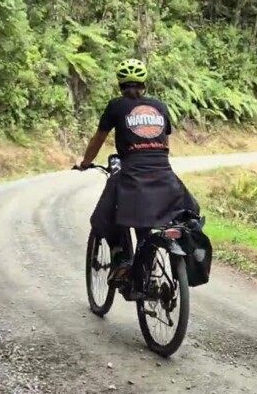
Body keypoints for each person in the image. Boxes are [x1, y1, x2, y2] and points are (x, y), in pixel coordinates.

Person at [76, 58, 200, 300]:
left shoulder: (116, 106)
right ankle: (149, 269)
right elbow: (164, 143)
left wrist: (85, 163)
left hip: (132, 174)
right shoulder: (160, 107)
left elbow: (99, 138)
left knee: (105, 216)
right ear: (144, 83)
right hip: (165, 176)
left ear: (120, 83)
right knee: (154, 221)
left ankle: (122, 258)